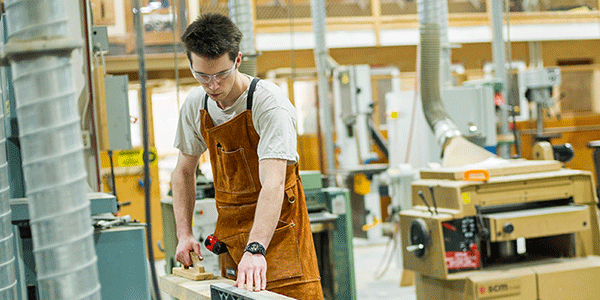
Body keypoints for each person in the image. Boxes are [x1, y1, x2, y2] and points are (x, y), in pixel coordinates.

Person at [172, 13, 323, 299]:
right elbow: (182, 171)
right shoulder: (196, 104)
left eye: (221, 75)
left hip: (280, 240)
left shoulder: (269, 104)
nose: (213, 86)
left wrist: (256, 248)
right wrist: (184, 232)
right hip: (232, 241)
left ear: (238, 61)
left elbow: (274, 183)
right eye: (203, 76)